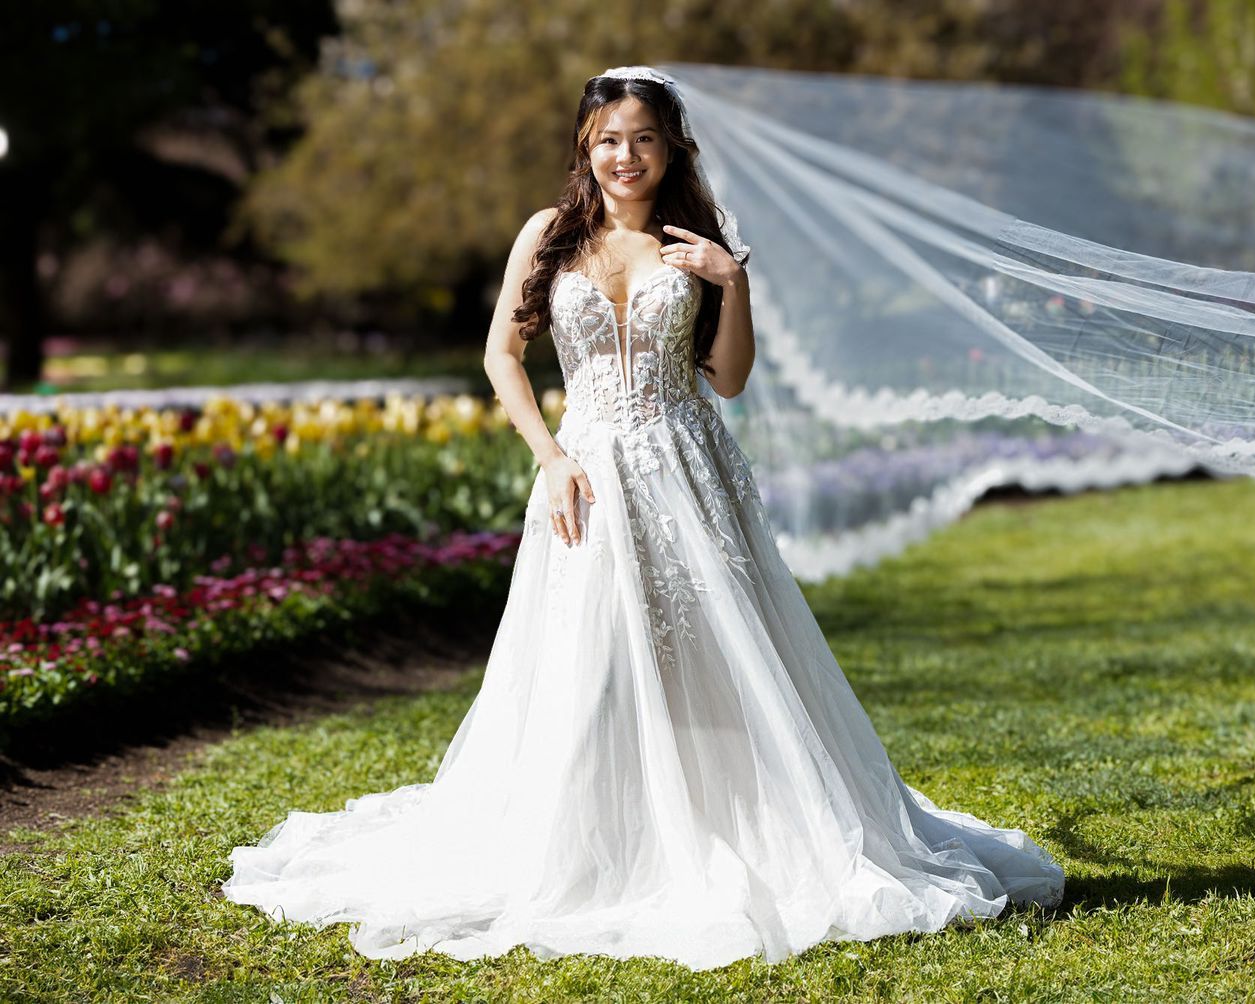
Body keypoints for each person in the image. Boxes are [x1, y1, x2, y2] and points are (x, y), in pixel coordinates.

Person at [220, 66, 1065, 970]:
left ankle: (728, 824)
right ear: (586, 146)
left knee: (715, 650)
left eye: (644, 139)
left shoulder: (698, 240)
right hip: (586, 475)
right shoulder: (548, 234)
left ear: (671, 148)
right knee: (587, 657)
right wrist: (551, 457)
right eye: (609, 140)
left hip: (689, 470)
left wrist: (733, 283)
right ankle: (583, 840)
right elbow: (503, 354)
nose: (626, 156)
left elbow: (729, 379)